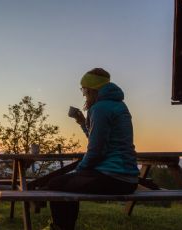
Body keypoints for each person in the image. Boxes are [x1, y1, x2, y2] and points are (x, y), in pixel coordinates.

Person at [45, 68, 139, 230]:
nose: (83, 94)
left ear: (92, 89)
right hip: (127, 177)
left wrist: (80, 170)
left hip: (114, 178)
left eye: (84, 89)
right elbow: (100, 140)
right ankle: (61, 227)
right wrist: (82, 122)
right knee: (65, 181)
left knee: (55, 183)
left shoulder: (100, 108)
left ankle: (60, 227)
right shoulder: (118, 105)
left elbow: (96, 151)